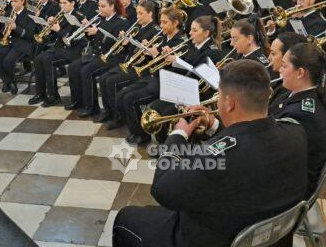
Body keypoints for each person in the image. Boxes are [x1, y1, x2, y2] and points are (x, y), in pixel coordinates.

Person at [113, 60, 308, 247]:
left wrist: (178, 135)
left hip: (212, 239)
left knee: (126, 217)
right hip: (272, 236)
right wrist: (215, 126)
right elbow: (248, 137)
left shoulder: (214, 158)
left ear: (229, 103)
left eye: (220, 96)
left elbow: (162, 190)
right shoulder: (296, 132)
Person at [117, 7, 186, 144]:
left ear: (175, 23)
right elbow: (153, 62)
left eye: (165, 22)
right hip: (153, 77)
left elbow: (178, 70)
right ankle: (135, 131)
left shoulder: (181, 41)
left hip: (165, 83)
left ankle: (142, 136)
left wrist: (157, 55)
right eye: (161, 22)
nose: (161, 26)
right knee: (123, 94)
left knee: (130, 99)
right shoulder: (162, 37)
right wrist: (147, 51)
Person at [271, 42, 326, 196]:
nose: (280, 70)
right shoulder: (292, 94)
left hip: (289, 190)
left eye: (284, 65)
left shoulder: (303, 114)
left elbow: (272, 152)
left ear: (300, 73)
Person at [98, 1, 160, 129]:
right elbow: (129, 50)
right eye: (137, 13)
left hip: (141, 69)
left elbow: (141, 53)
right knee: (103, 79)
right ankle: (109, 111)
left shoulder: (154, 31)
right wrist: (124, 40)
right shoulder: (139, 27)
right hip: (129, 64)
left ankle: (118, 117)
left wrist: (129, 43)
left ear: (150, 14)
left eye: (141, 13)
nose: (137, 16)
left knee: (111, 82)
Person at [65, 0, 128, 117]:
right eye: (99, 6)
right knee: (73, 67)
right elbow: (93, 41)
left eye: (103, 6)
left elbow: (115, 43)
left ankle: (92, 107)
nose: (100, 9)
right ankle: (78, 101)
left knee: (86, 71)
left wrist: (97, 32)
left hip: (112, 57)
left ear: (112, 7)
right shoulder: (101, 19)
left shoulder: (121, 22)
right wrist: (87, 30)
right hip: (97, 54)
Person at [29, 0, 86, 107]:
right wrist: (49, 25)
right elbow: (55, 36)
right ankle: (41, 93)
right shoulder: (62, 14)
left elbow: (71, 38)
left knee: (47, 60)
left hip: (72, 51)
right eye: (60, 3)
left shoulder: (78, 17)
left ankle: (53, 96)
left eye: (65, 3)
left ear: (73, 3)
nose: (62, 6)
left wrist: (58, 29)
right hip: (59, 48)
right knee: (38, 59)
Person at [0, 0, 36, 95]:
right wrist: (3, 27)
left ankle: (10, 83)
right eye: (12, 1)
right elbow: (3, 30)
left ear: (22, 1)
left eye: (15, 1)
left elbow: (30, 35)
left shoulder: (30, 14)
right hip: (9, 41)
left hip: (23, 44)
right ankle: (8, 81)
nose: (13, 4)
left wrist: (16, 28)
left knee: (8, 61)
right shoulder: (9, 13)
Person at [268, 32, 307, 113]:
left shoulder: (291, 87)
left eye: (273, 53)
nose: (269, 58)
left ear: (287, 56)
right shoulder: (273, 75)